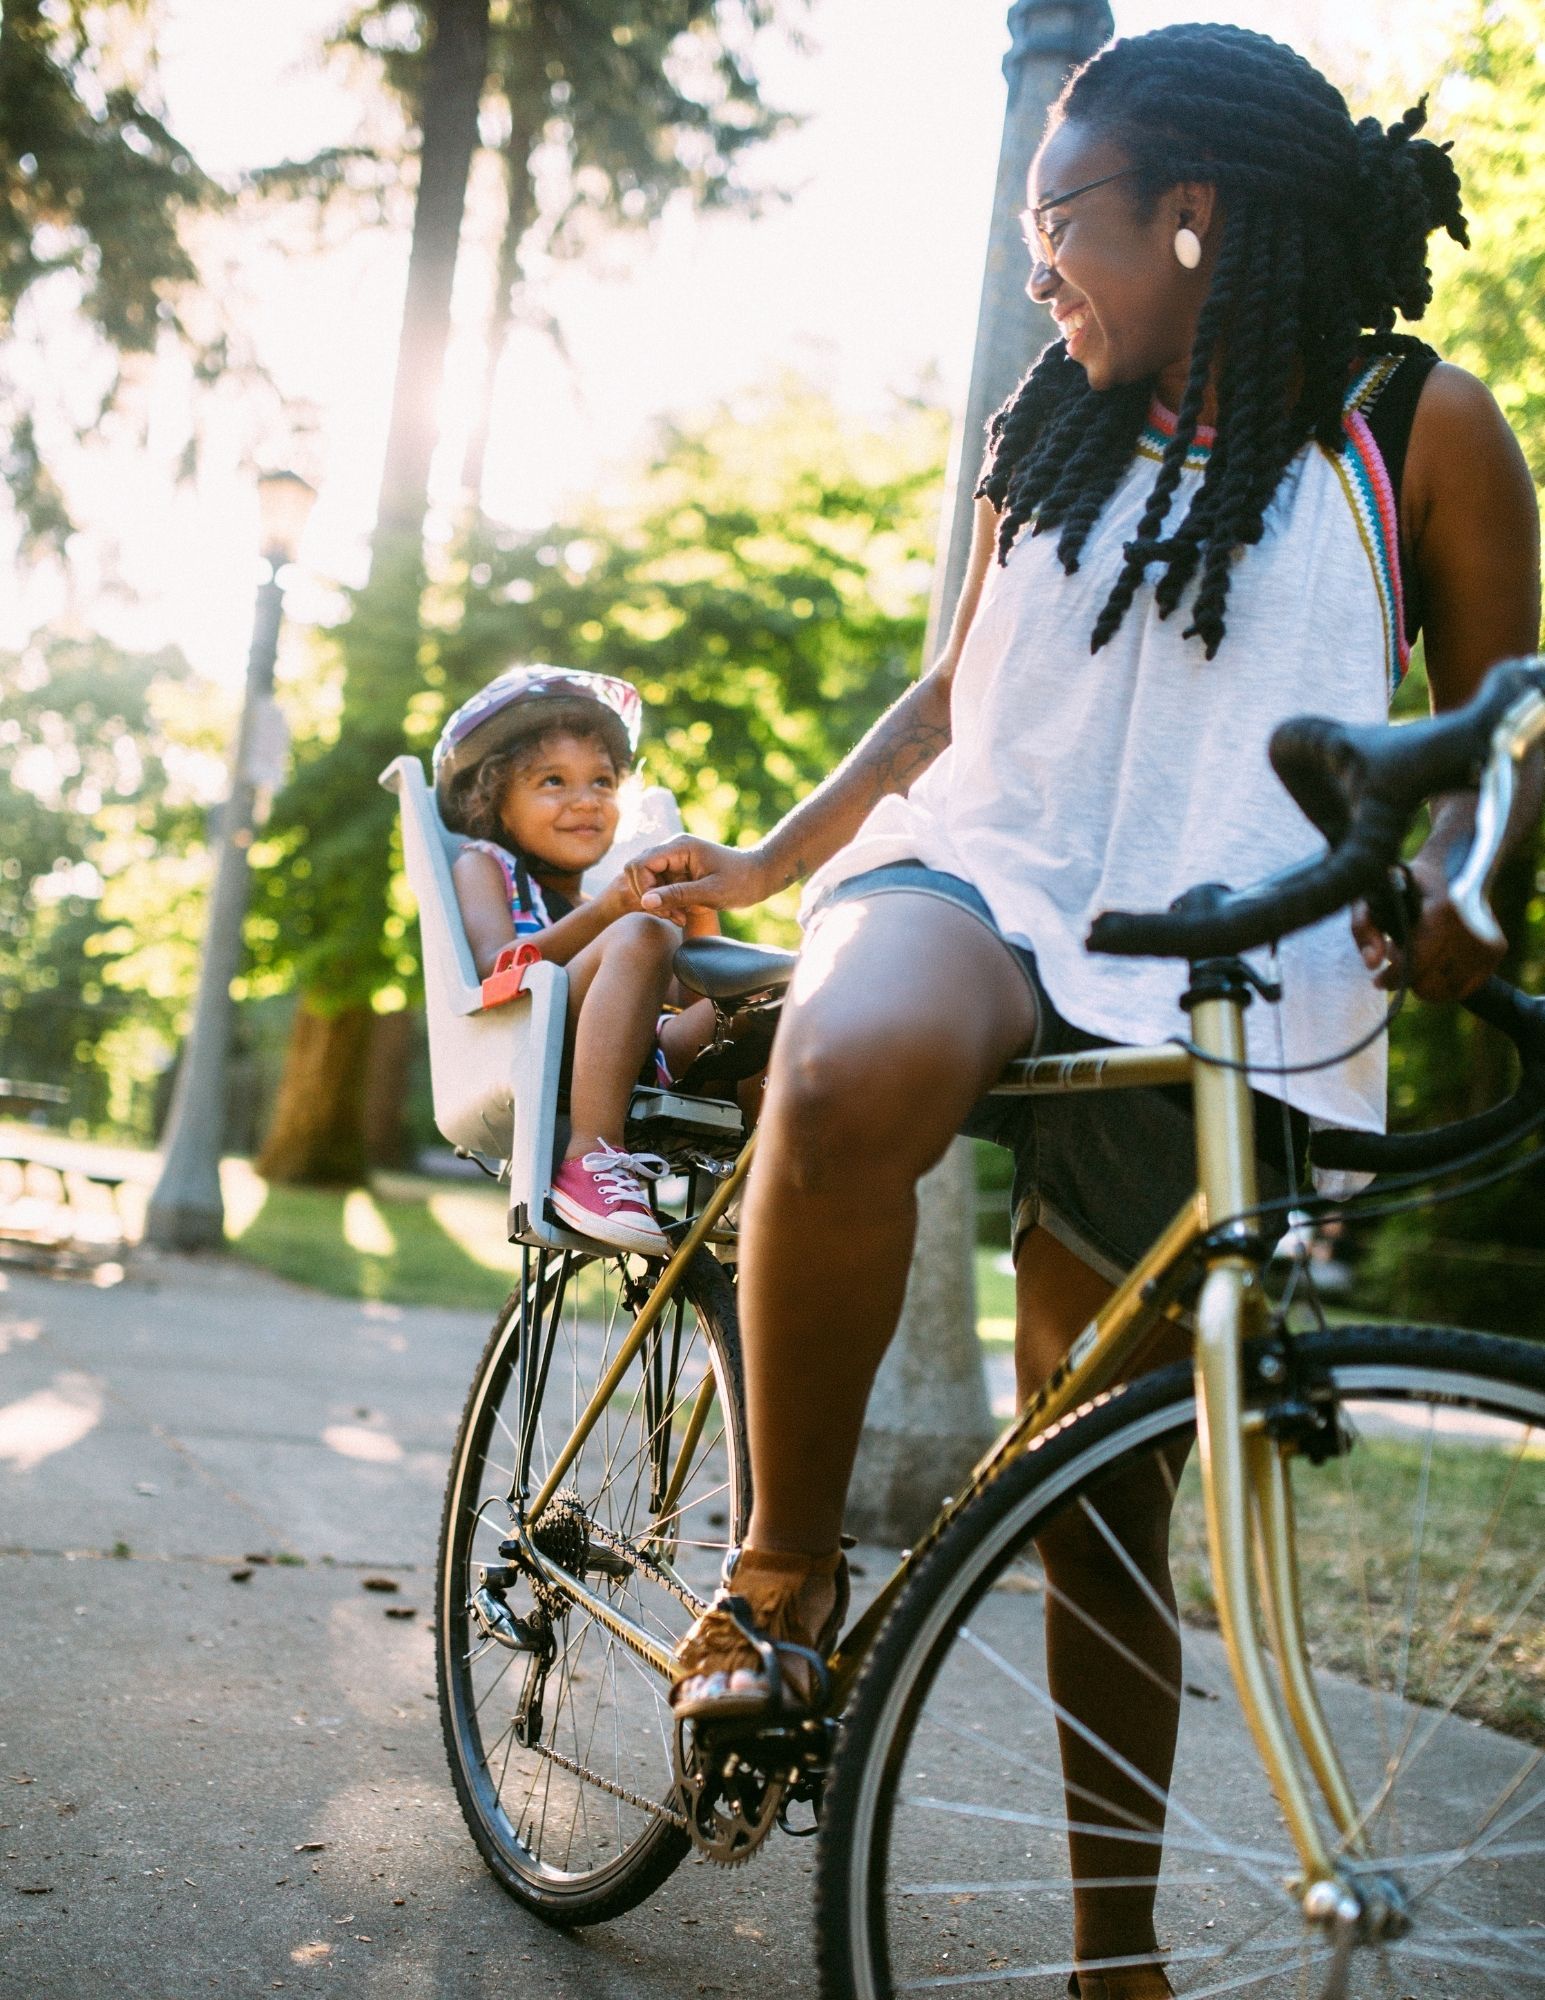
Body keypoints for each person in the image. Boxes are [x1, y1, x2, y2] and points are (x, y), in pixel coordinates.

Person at [628, 25, 1540, 1998]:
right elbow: (955, 693)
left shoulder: (1416, 422)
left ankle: (1111, 1959)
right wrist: (783, 860)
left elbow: (1508, 722)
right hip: (998, 867)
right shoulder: (1046, 413)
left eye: (1062, 221)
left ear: (1189, 218)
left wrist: (1469, 884)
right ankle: (776, 1577)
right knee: (855, 1056)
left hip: (1231, 936)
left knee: (1105, 1485)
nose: (1035, 265)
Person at [436, 664, 733, 1255]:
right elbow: (498, 969)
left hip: (642, 1051)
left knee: (768, 995)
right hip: (529, 1041)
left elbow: (695, 1005)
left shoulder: (603, 896)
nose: (586, 801)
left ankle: (754, 1185)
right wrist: (611, 917)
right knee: (642, 933)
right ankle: (590, 1156)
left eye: (602, 782)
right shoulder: (486, 865)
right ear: (496, 802)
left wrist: (700, 907)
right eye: (553, 781)